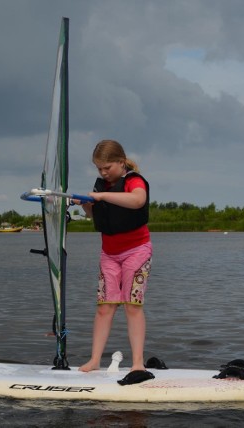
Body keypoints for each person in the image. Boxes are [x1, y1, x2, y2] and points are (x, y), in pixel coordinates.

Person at [77, 140, 153, 386]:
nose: (102, 173)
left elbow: (137, 201)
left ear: (121, 162)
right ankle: (95, 359)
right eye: (99, 169)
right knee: (104, 307)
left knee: (131, 305)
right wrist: (88, 205)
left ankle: (138, 362)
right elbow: (95, 215)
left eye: (107, 167)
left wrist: (100, 196)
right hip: (109, 254)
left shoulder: (134, 181)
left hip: (137, 251)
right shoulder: (101, 186)